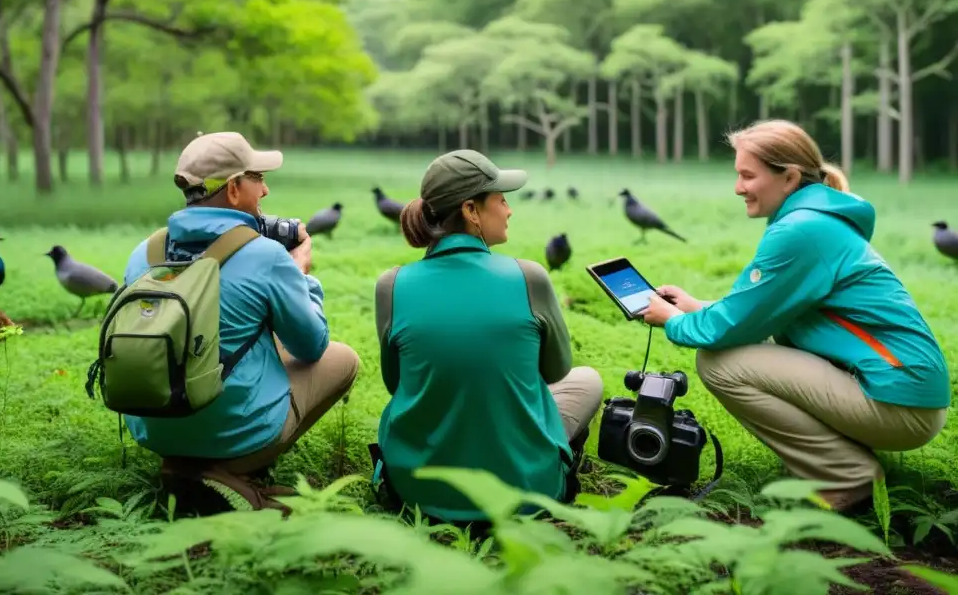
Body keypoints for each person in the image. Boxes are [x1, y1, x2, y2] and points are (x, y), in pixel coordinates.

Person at [641, 119, 950, 514]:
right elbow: (757, 312)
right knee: (742, 349)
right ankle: (845, 459)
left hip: (901, 403)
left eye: (747, 175)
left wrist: (672, 320)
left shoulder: (800, 231)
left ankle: (846, 475)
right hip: (906, 393)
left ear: (788, 177)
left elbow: (730, 329)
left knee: (720, 363)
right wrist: (694, 306)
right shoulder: (814, 221)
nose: (738, 187)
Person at [122, 131, 360, 511]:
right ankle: (233, 467)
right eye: (258, 178)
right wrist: (299, 273)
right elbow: (311, 345)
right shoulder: (265, 256)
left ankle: (178, 459)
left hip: (151, 427)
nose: (265, 191)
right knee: (343, 358)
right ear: (233, 189)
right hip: (234, 433)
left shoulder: (144, 252)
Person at [372, 149, 604, 524]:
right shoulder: (529, 277)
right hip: (525, 494)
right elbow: (558, 369)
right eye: (501, 199)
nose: (509, 210)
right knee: (587, 379)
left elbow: (395, 383)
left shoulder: (392, 285)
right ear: (470, 210)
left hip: (417, 494)